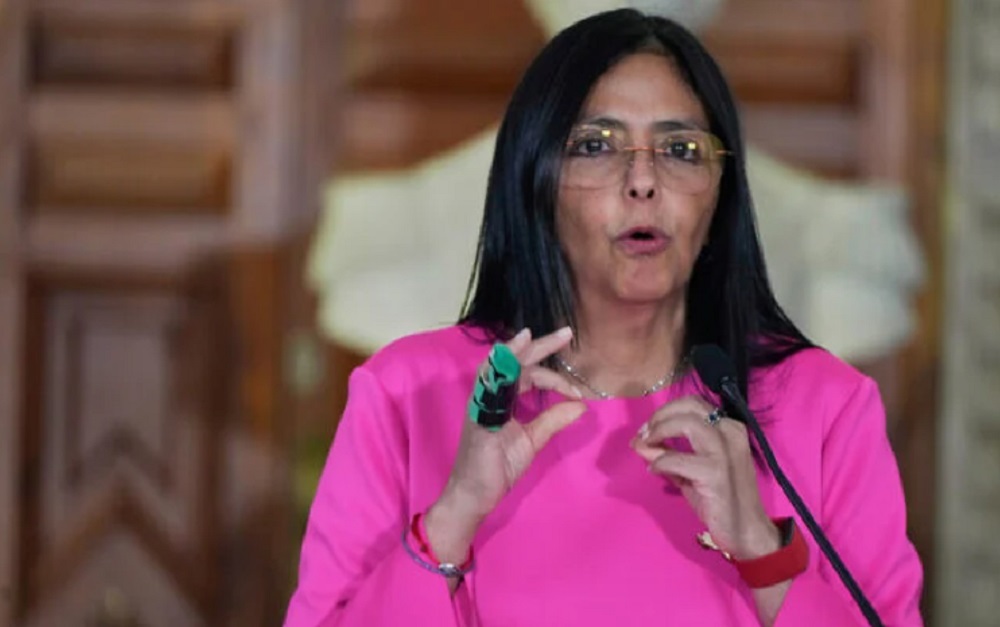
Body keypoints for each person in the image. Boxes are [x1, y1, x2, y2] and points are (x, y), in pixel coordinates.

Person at [285, 9, 923, 626]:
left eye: (680, 149)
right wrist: (452, 517)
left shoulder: (826, 408)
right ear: (535, 179)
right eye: (596, 145)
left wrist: (762, 550)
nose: (642, 181)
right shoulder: (407, 394)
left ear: (720, 196)